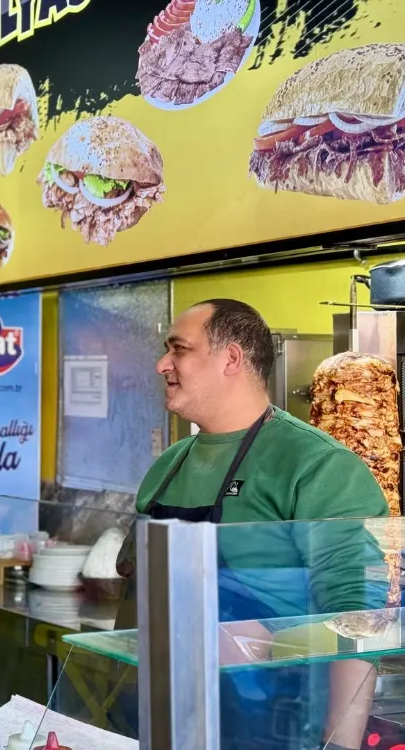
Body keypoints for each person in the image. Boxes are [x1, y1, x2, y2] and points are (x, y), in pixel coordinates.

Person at [121, 299, 389, 750]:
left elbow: (357, 618)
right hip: (162, 713)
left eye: (179, 349)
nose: (162, 364)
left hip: (272, 724)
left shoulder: (317, 465)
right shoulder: (169, 464)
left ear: (231, 358)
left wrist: (339, 745)